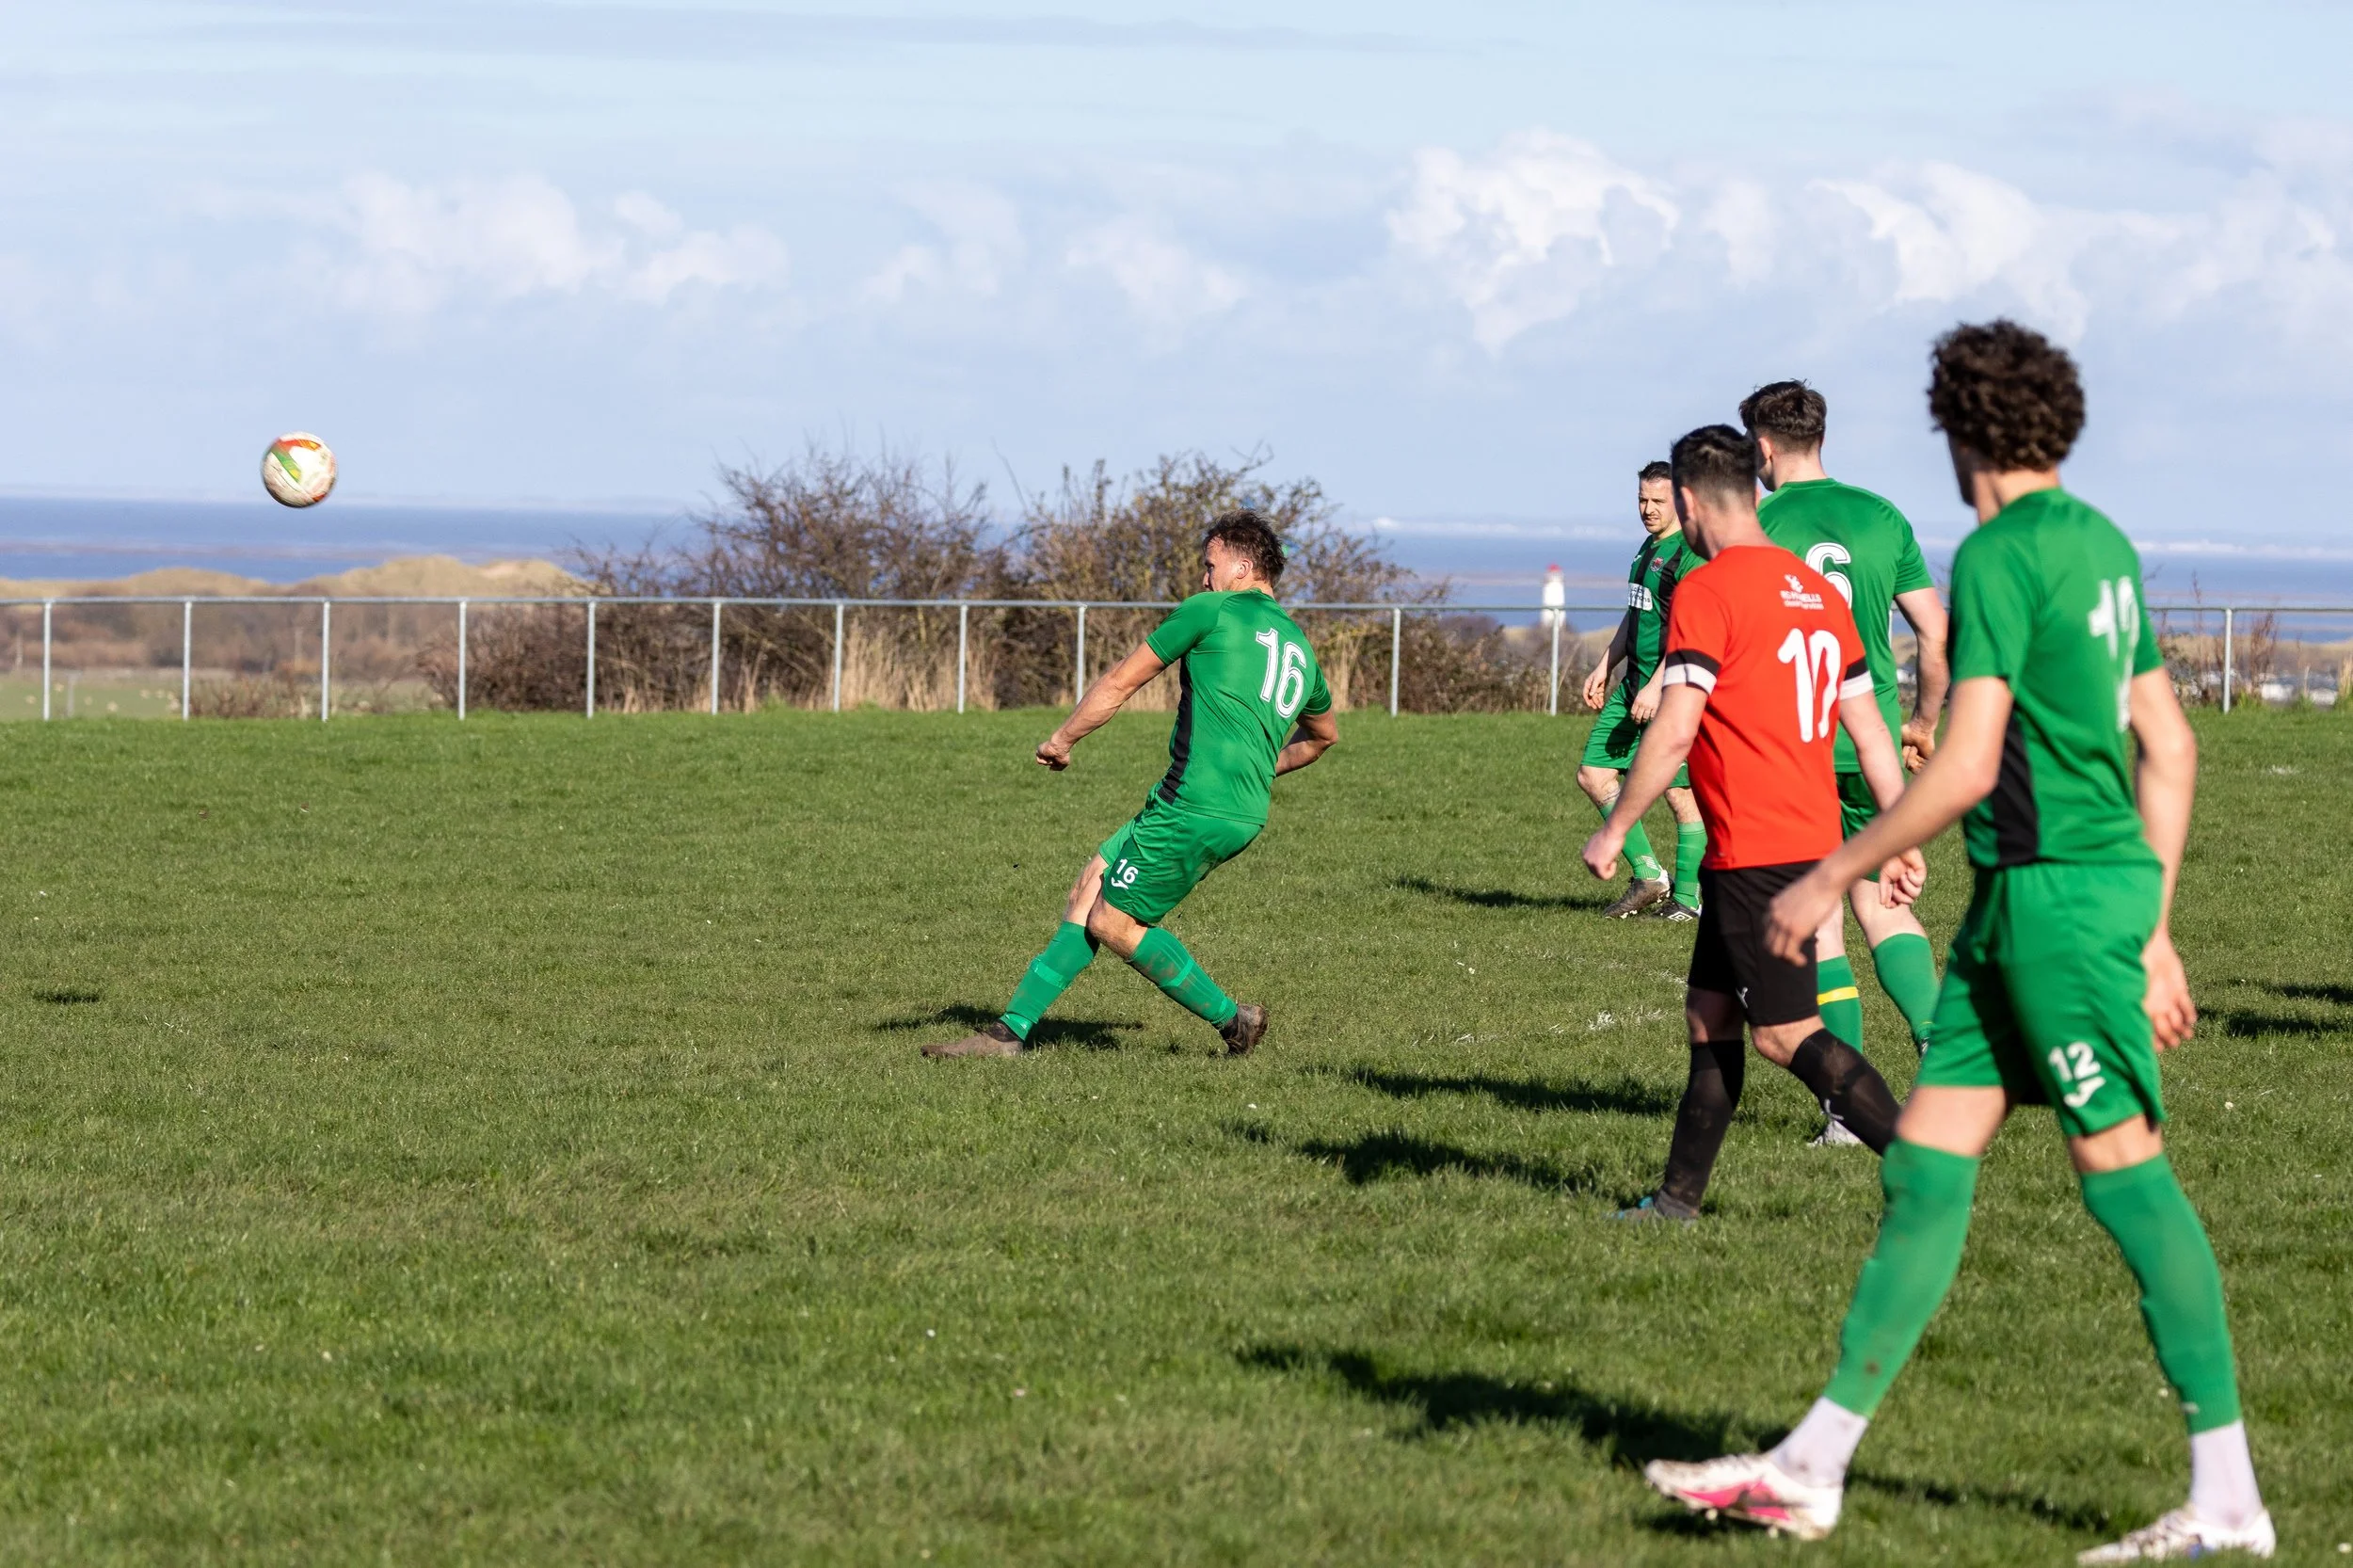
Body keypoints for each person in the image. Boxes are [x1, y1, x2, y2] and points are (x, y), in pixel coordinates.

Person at [1642, 322, 2271, 1561]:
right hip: (2020, 914)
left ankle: (2230, 1494)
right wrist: (2158, 926)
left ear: (1960, 431)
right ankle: (1812, 1465)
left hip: (2058, 906)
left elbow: (1971, 757)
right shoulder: (2101, 546)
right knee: (1926, 1162)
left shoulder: (1996, 554)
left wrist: (1835, 866)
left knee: (2127, 1176)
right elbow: (2174, 746)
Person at [1582, 426, 1920, 1223]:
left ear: (1691, 501)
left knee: (1783, 1033)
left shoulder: (1709, 587)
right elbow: (1873, 734)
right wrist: (1899, 838)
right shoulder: (1813, 592)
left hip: (1757, 851)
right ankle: (1676, 1202)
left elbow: (1672, 728)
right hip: (1799, 839)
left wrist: (1614, 827)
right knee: (1709, 1015)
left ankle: (1925, 1161)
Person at [926, 508, 1337, 1059]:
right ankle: (1008, 1034)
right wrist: (1263, 770)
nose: (1203, 577)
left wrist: (1062, 739)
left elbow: (1121, 681)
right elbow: (1322, 736)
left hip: (1194, 805)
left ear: (1241, 567)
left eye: (1210, 565)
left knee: (1113, 921)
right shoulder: (1298, 645)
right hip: (1235, 808)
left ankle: (1233, 1019)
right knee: (1091, 885)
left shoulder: (1212, 610)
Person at [1744, 379, 1951, 1144]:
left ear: (1763, 448)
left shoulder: (1758, 522)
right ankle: (1939, 1050)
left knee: (1821, 921)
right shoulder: (1882, 516)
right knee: (1885, 898)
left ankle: (1846, 1111)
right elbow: (1934, 631)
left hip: (1788, 749)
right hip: (1872, 741)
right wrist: (1923, 719)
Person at [1577, 461, 1707, 920]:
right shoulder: (1646, 548)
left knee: (1679, 794)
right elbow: (1636, 613)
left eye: (1657, 501)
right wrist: (1604, 663)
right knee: (1594, 773)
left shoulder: (1691, 554)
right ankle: (1650, 875)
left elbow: (1694, 631)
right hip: (1633, 686)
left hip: (1672, 691)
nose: (1647, 509)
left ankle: (1688, 899)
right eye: (1641, 500)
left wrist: (1656, 686)